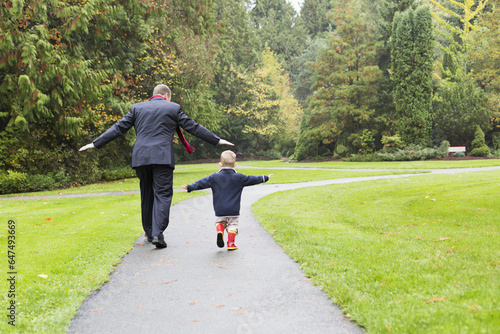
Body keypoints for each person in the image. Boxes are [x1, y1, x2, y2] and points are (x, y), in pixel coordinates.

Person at [79, 84, 234, 249]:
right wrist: (217, 140)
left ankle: (149, 231)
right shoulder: (173, 108)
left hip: (141, 157)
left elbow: (119, 128)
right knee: (163, 194)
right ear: (167, 96)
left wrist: (96, 144)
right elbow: (192, 127)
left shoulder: (137, 108)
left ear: (154, 95)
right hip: (162, 157)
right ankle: (157, 234)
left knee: (147, 194)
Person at [181, 150, 272, 250]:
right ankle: (231, 243)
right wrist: (265, 178)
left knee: (220, 221)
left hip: (219, 209)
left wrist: (190, 187)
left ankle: (220, 229)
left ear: (220, 164)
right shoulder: (239, 177)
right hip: (233, 209)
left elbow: (202, 183)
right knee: (233, 225)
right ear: (235, 164)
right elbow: (252, 179)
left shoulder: (214, 177)